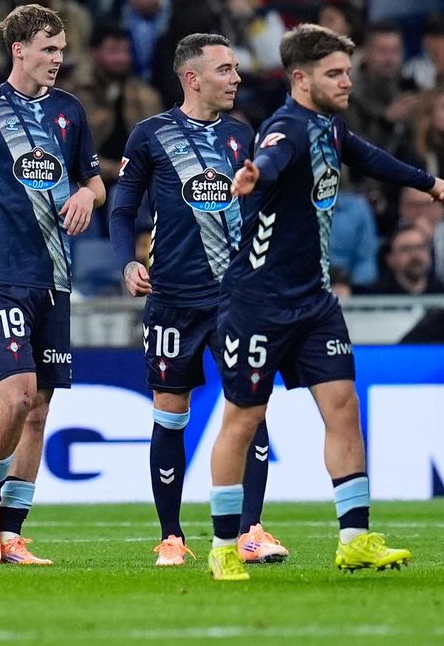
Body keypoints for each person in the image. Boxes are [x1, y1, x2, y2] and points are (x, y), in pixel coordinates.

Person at [207, 24, 444, 580]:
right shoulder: (287, 128)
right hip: (259, 302)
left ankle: (355, 539)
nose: (346, 82)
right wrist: (252, 176)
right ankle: (223, 546)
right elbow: (267, 161)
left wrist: (434, 185)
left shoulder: (329, 129)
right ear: (300, 77)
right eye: (334, 73)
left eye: (347, 72)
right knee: (242, 419)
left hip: (313, 301)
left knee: (343, 408)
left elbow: (374, 158)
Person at [108, 32, 287, 569]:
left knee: (250, 411)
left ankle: (251, 531)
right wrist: (127, 261)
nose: (236, 78)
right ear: (193, 78)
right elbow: (121, 211)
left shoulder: (241, 134)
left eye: (235, 69)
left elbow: (259, 211)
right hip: (172, 299)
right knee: (170, 415)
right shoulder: (150, 136)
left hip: (235, 299)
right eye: (226, 70)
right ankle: (171, 536)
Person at [0, 4, 105, 567]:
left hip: (54, 277)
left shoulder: (69, 111)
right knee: (14, 396)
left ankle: (12, 532)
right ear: (19, 50)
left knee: (39, 409)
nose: (59, 59)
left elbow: (94, 180)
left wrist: (88, 193)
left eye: (62, 50)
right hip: (0, 274)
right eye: (49, 50)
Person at [71, 26, 162, 187]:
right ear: (94, 53)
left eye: (125, 52)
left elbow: (157, 145)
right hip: (86, 177)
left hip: (134, 177)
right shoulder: (76, 94)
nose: (121, 59)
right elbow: (73, 149)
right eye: (113, 51)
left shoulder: (145, 95)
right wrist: (112, 169)